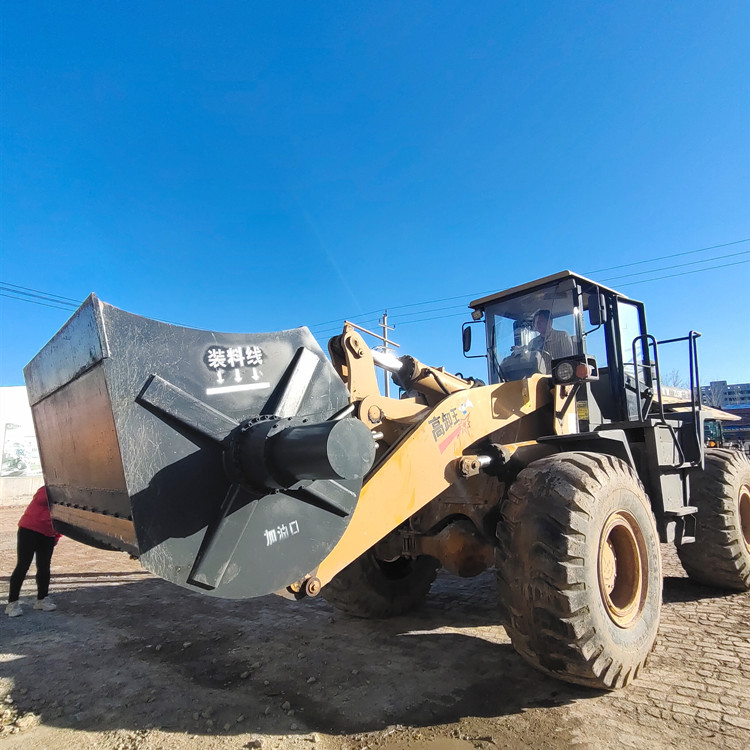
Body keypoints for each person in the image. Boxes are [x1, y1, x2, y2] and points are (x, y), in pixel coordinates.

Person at [5, 485, 61, 617]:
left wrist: (56, 537)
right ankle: (12, 603)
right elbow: (41, 499)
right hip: (29, 529)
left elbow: (65, 520)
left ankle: (42, 599)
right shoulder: (47, 488)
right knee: (23, 565)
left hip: (48, 533)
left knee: (44, 566)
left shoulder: (71, 495)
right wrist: (59, 493)